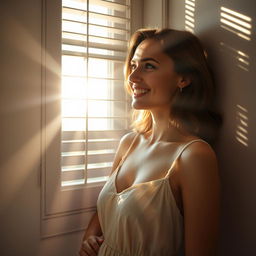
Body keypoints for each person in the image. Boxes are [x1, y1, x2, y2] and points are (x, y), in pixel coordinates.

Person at [79, 28, 221, 256]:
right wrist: (90, 240)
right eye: (134, 65)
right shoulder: (129, 143)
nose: (133, 77)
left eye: (149, 66)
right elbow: (105, 213)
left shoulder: (194, 156)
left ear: (183, 78)